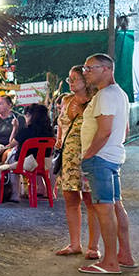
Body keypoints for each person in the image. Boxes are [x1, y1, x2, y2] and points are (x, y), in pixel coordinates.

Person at [77, 54, 136, 274]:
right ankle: (125, 255)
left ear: (106, 69)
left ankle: (110, 261)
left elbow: (105, 131)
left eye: (90, 68)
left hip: (101, 158)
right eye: (85, 67)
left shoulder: (105, 95)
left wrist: (88, 155)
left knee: (104, 208)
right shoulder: (119, 94)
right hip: (112, 157)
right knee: (115, 205)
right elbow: (126, 130)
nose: (86, 72)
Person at [54, 65, 100, 259]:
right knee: (71, 200)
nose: (71, 82)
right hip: (68, 157)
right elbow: (60, 125)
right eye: (69, 79)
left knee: (91, 201)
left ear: (85, 80)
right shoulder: (66, 100)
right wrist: (58, 140)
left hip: (89, 155)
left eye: (75, 79)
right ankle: (74, 243)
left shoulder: (95, 101)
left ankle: (93, 246)